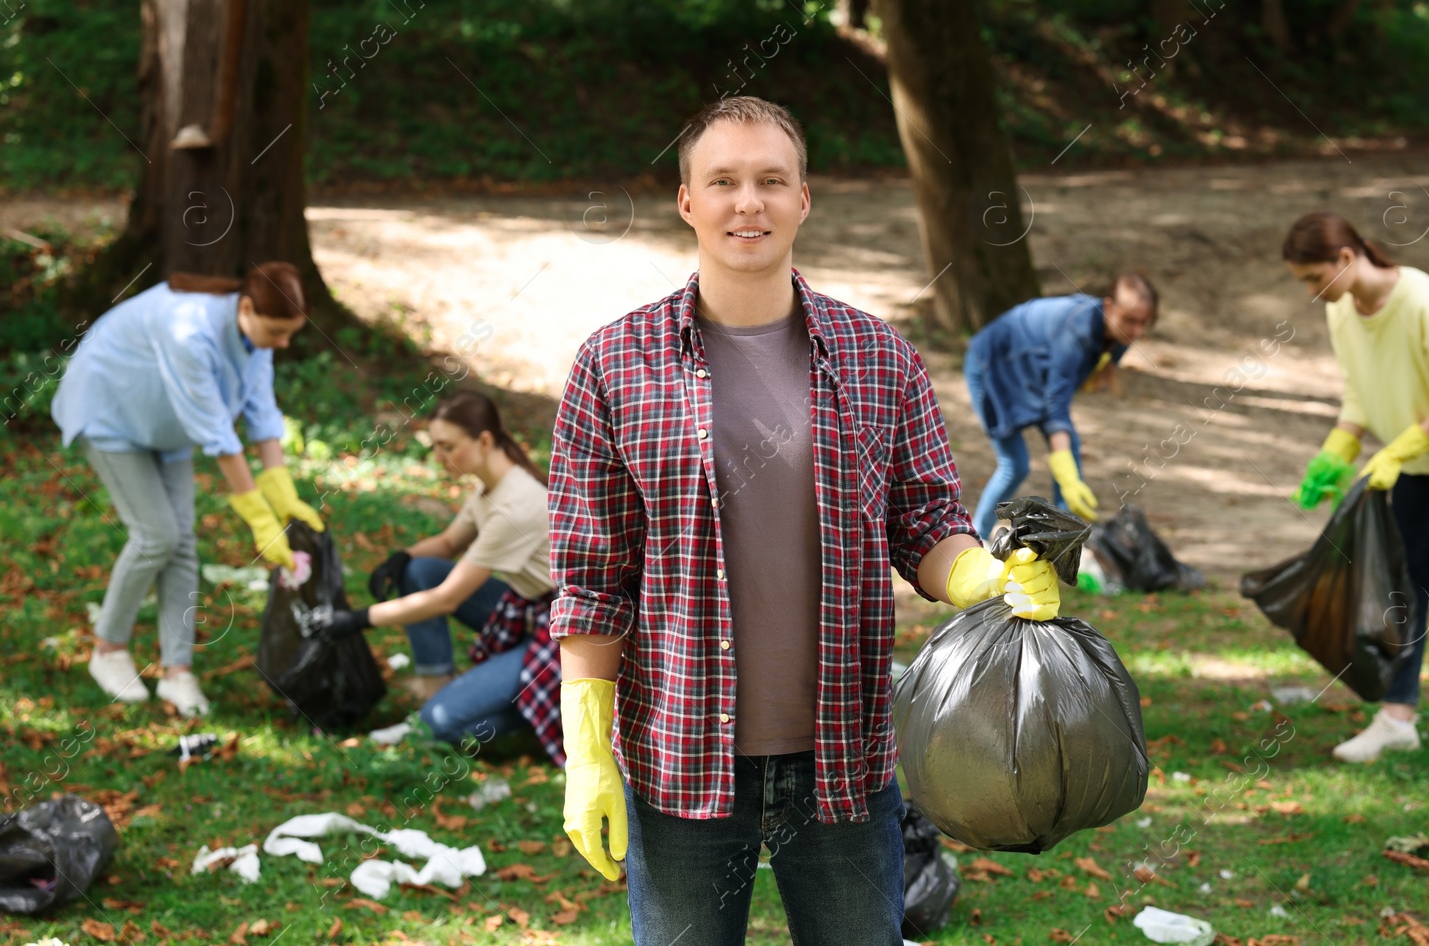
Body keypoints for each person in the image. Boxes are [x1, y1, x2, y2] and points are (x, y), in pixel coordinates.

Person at [547, 96, 1064, 945]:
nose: (747, 202)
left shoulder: (879, 356)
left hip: (845, 756)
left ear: (803, 199)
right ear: (687, 202)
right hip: (678, 755)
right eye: (723, 181)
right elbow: (594, 577)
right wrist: (588, 752)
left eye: (770, 181)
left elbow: (925, 518)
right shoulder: (614, 363)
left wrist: (987, 575)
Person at [1284, 212, 1429, 765]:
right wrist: (1336, 450)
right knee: (1404, 589)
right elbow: (1361, 395)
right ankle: (1397, 717)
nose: (1311, 292)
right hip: (1417, 462)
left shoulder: (1422, 301)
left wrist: (1395, 451)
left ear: (1345, 259)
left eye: (1312, 277)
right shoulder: (1344, 312)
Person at [51, 264, 323, 717]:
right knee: (156, 535)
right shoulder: (189, 331)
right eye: (277, 331)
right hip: (110, 417)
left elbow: (260, 410)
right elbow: (218, 434)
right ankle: (108, 648)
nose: (283, 343)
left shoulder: (256, 334)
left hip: (166, 428)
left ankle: (177, 672)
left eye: (289, 334)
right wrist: (258, 516)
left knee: (182, 543)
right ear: (247, 307)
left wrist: (282, 492)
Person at [305, 391, 563, 761]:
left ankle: (532, 707)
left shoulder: (516, 504)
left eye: (448, 447)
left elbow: (447, 598)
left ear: (484, 440)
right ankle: (437, 687)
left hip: (557, 634)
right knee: (420, 569)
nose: (440, 458)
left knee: (434, 728)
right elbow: (446, 543)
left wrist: (356, 620)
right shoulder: (492, 484)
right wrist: (402, 557)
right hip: (526, 608)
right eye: (436, 447)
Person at [963, 275, 1157, 539]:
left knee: (1070, 449)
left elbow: (1085, 375)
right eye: (1129, 320)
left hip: (1033, 374)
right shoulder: (1075, 332)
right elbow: (1057, 409)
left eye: (1142, 323)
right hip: (991, 367)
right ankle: (976, 536)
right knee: (1015, 464)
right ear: (1109, 307)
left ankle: (1062, 540)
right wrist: (1068, 477)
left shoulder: (1116, 333)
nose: (1134, 331)